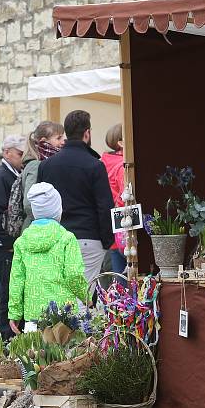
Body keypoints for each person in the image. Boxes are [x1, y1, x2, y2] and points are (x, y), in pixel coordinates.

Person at [38, 110, 115, 286]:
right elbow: (104, 206)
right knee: (83, 297)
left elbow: (40, 204)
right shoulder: (95, 165)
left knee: (60, 296)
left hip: (56, 238)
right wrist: (107, 241)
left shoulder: (46, 166)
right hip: (88, 237)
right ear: (87, 133)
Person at [8, 183, 89, 332]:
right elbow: (73, 274)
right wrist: (86, 296)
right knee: (66, 354)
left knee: (37, 354)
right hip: (64, 314)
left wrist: (15, 312)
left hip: (33, 316)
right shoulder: (67, 238)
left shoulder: (22, 242)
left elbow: (17, 280)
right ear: (58, 210)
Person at [0, 134, 26, 340]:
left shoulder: (14, 175)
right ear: (7, 152)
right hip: (5, 247)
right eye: (19, 154)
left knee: (13, 295)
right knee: (7, 296)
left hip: (11, 245)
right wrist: (9, 243)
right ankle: (6, 340)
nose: (22, 158)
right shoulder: (0, 178)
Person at [20, 121, 65, 232]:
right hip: (37, 231)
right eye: (58, 138)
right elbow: (28, 203)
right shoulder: (36, 165)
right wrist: (47, 222)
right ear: (44, 141)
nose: (63, 142)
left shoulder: (43, 163)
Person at [101, 124, 127, 275]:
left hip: (112, 228)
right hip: (124, 225)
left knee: (118, 277)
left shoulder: (104, 163)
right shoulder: (122, 166)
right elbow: (125, 197)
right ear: (121, 142)